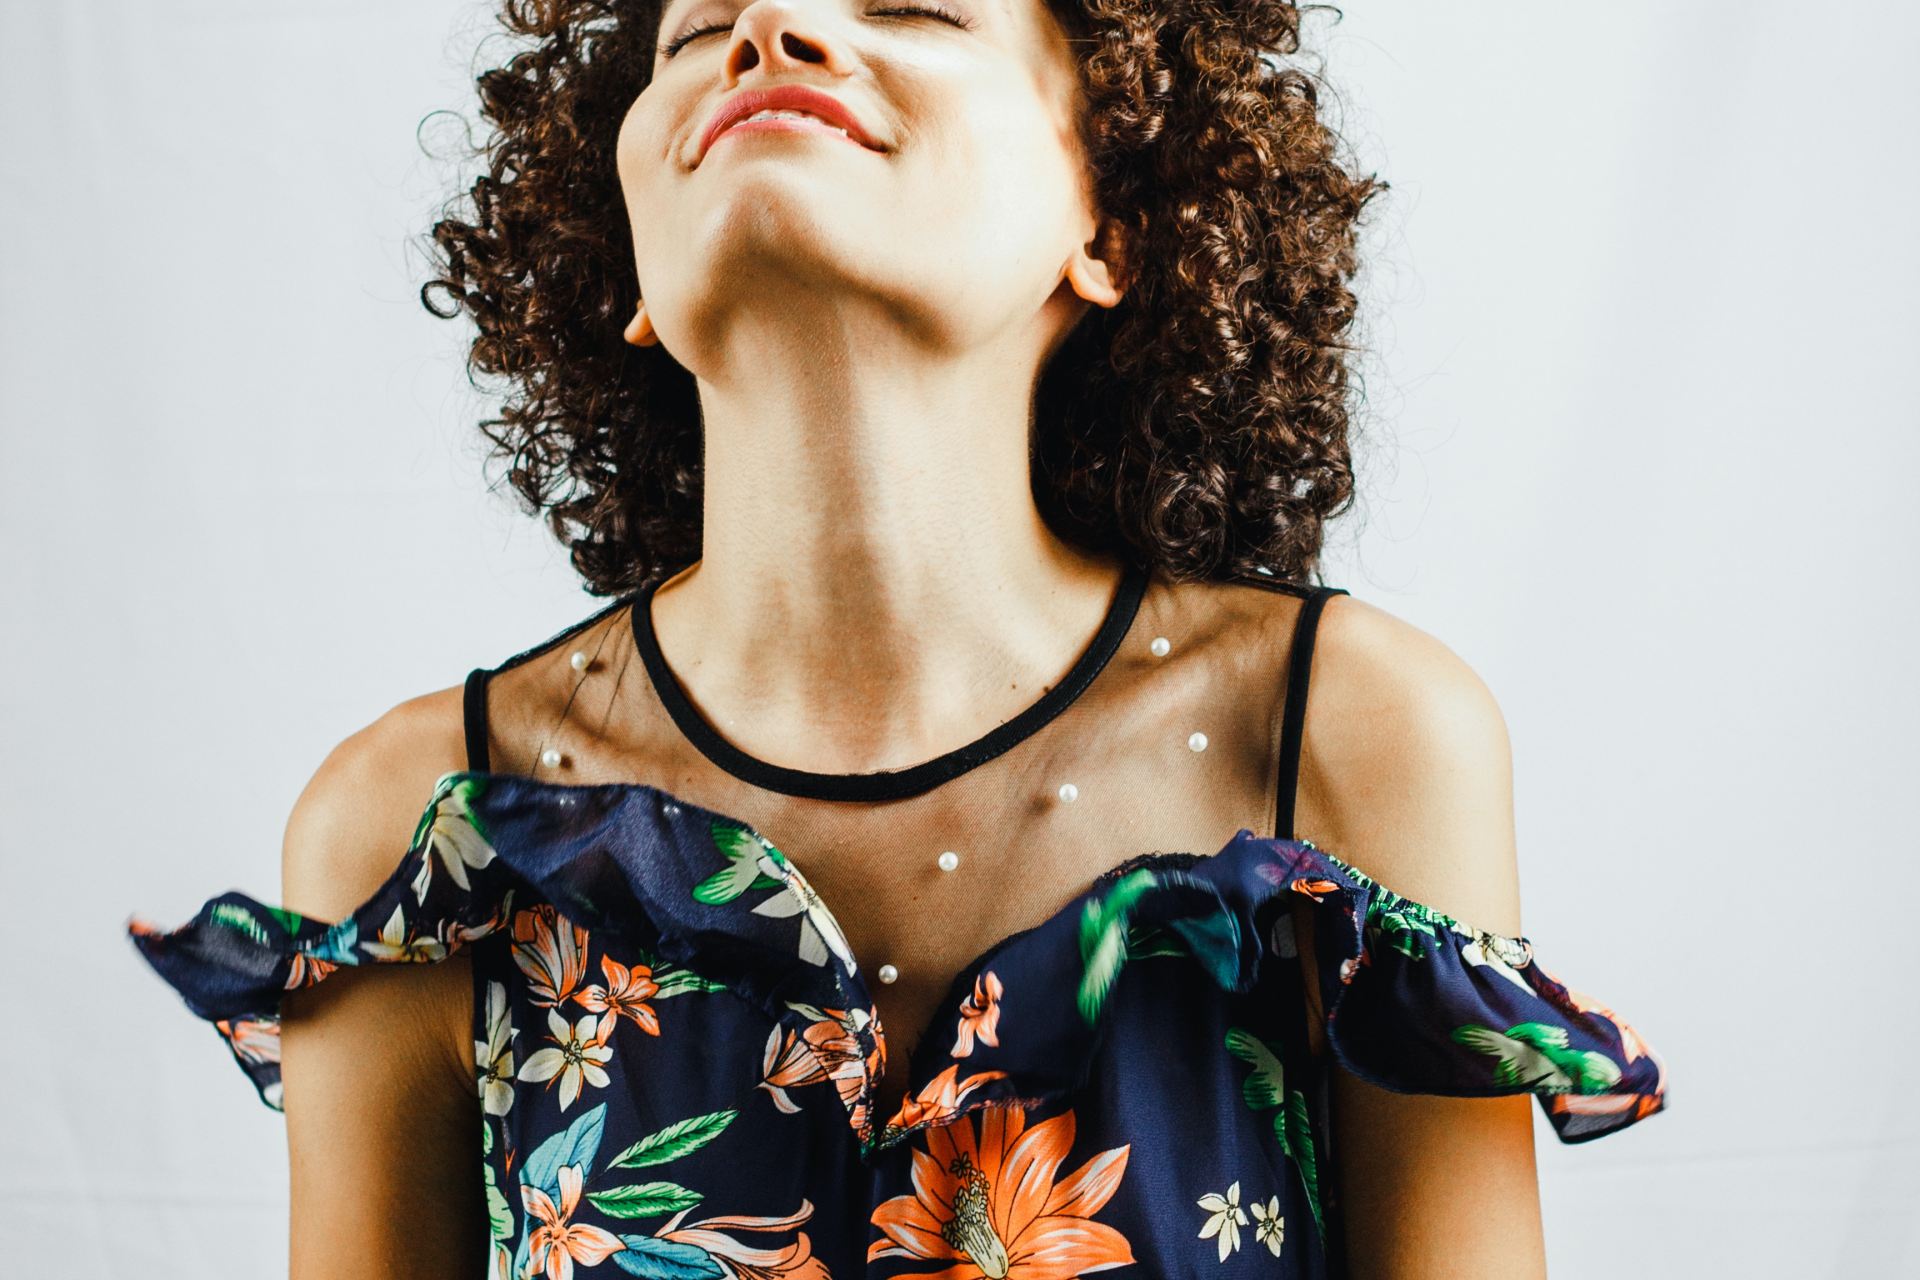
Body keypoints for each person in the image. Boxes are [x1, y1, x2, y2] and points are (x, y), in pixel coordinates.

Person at [126, 0, 1669, 1274]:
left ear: (1112, 219)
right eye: (700, 27)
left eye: (912, 6)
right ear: (634, 278)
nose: (771, 31)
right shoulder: (414, 833)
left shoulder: (1350, 736)